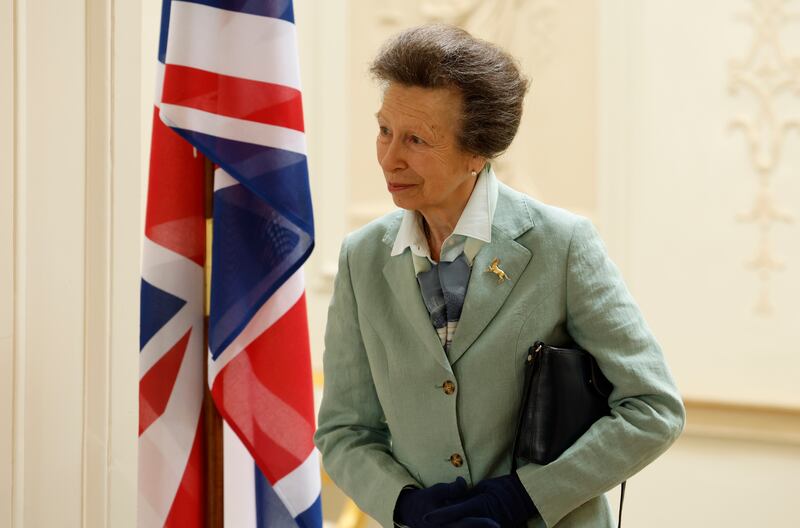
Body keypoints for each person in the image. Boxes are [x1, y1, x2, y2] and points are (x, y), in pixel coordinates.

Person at [314, 24, 685, 528]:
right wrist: (405, 506)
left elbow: (653, 408)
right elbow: (344, 431)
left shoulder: (562, 243)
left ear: (477, 152)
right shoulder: (362, 258)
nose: (389, 157)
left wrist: (521, 498)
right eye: (384, 130)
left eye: (417, 139)